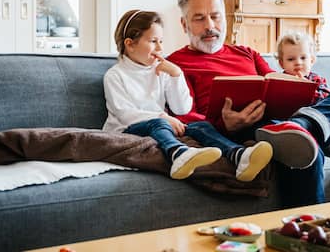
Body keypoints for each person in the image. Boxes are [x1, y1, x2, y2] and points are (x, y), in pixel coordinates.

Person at [167, 0, 330, 204]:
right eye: (199, 18)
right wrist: (225, 125)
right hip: (246, 131)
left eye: (216, 16)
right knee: (302, 149)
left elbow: (276, 83)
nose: (210, 25)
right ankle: (316, 131)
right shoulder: (175, 65)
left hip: (283, 121)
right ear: (184, 24)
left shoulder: (246, 53)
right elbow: (185, 117)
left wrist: (297, 88)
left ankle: (305, 126)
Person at [102, 9, 273, 181]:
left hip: (162, 125)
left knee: (201, 126)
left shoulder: (161, 70)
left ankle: (239, 155)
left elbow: (181, 108)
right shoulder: (115, 76)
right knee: (159, 123)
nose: (160, 48)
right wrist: (162, 117)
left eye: (161, 41)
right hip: (127, 129)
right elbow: (124, 114)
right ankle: (178, 154)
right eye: (153, 41)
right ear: (130, 44)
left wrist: (177, 75)